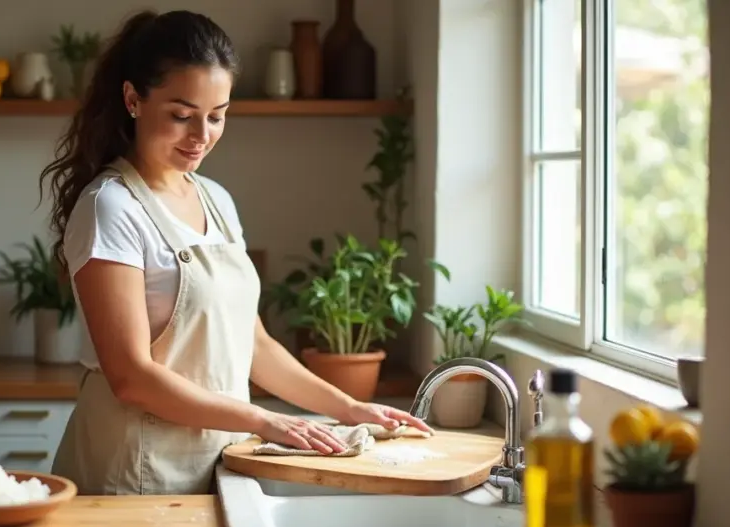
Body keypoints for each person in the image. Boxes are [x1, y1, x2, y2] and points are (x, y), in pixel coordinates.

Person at [37, 9, 433, 496]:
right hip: (133, 472)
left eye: (217, 115)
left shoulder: (215, 200)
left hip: (217, 463)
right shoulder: (111, 208)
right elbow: (131, 378)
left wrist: (348, 408)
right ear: (133, 99)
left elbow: (254, 345)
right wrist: (265, 420)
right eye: (182, 115)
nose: (202, 135)